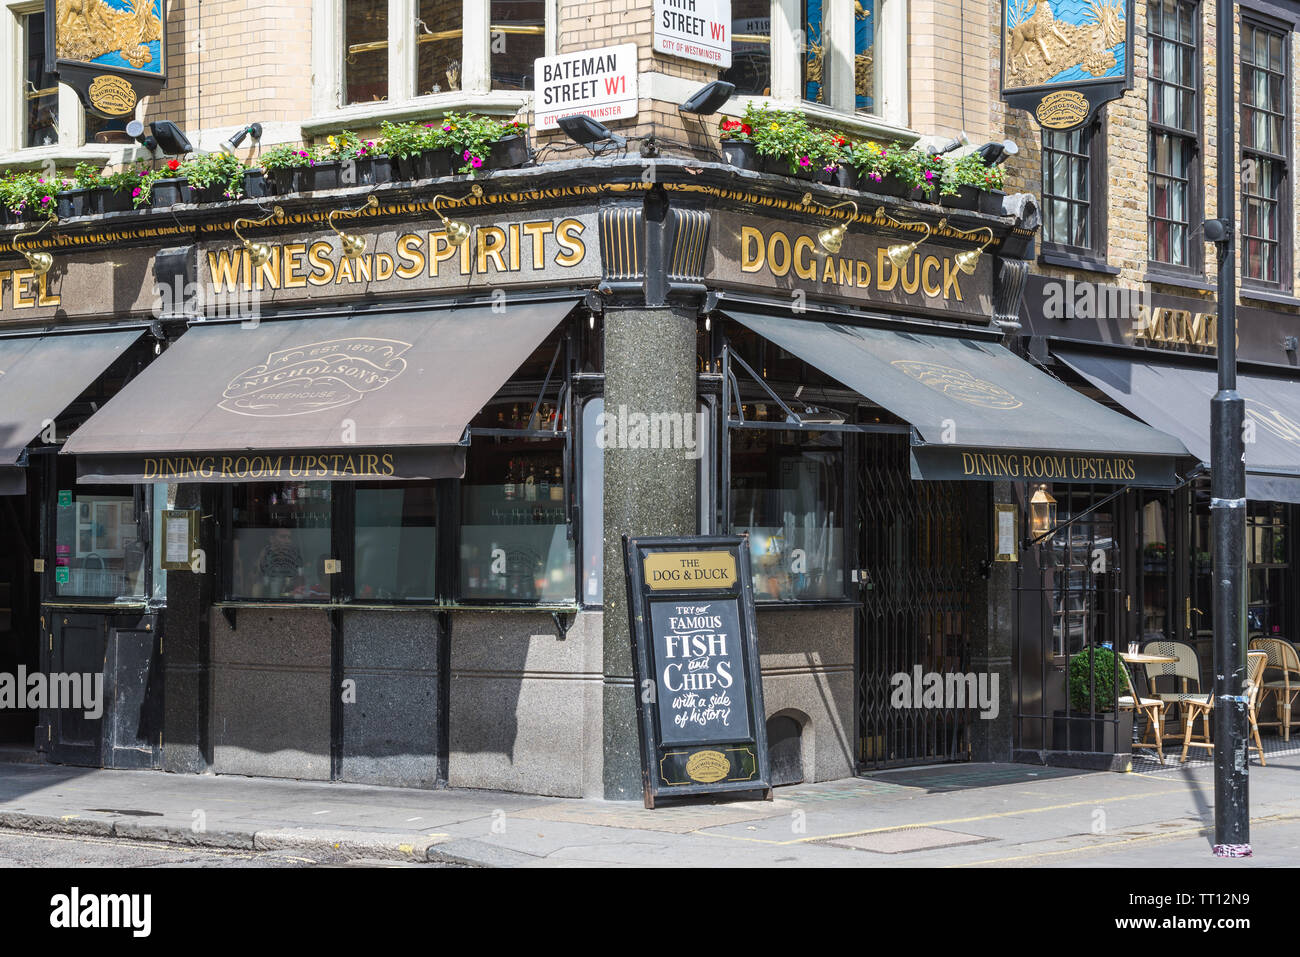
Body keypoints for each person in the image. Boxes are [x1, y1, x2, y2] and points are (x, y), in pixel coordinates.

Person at [256, 527, 304, 597]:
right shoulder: (263, 559)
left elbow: (299, 588)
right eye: (283, 537)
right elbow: (256, 588)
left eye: (289, 537)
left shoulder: (294, 561)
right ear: (271, 539)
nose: (288, 541)